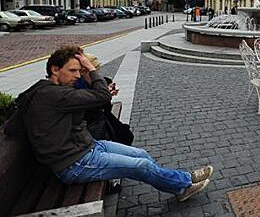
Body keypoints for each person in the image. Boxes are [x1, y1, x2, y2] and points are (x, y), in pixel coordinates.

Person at [4, 47, 213, 201]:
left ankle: (180, 180)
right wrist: (90, 68)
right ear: (55, 69)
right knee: (141, 165)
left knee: (141, 155)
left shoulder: (46, 89)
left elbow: (12, 126)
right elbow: (102, 95)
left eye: (80, 71)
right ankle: (183, 186)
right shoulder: (54, 95)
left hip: (88, 146)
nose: (77, 76)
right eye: (73, 71)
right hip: (74, 163)